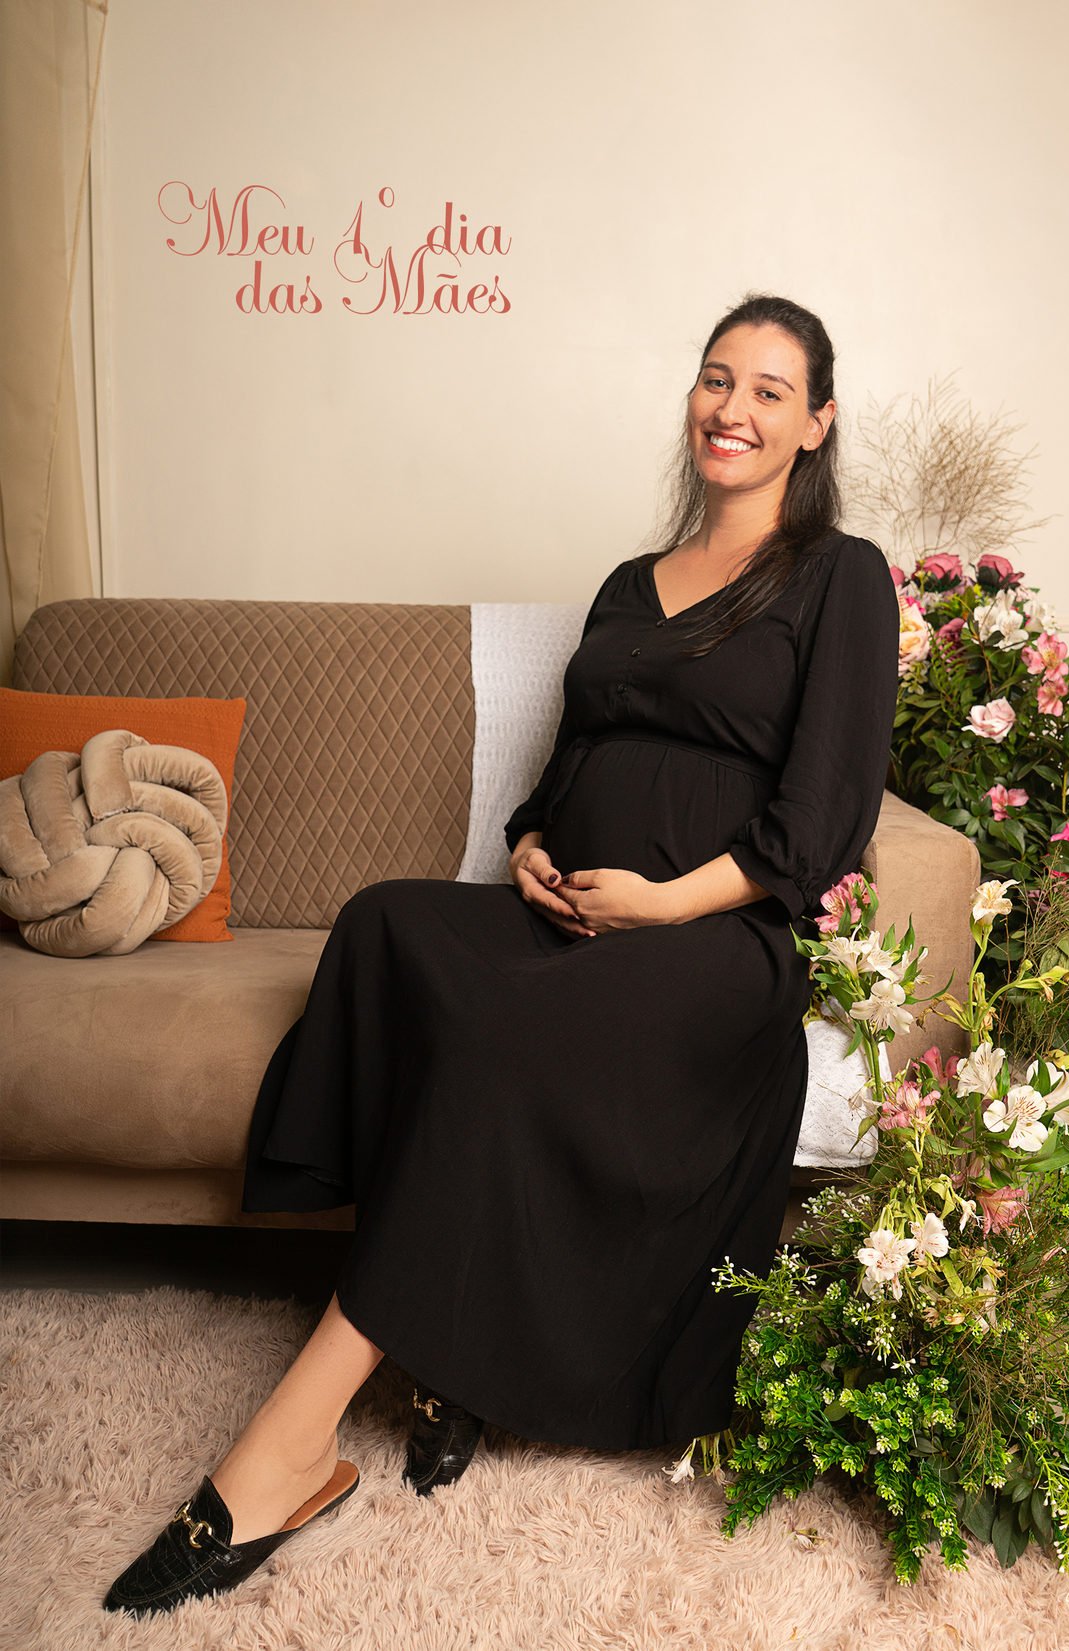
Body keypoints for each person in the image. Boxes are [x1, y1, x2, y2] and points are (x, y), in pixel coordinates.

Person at [104, 293, 900, 1616]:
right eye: (716, 379)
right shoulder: (629, 584)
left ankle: (290, 1447)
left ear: (816, 424)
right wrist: (531, 845)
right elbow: (569, 763)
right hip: (573, 911)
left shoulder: (840, 576)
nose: (733, 409)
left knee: (502, 1034)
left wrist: (661, 905)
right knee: (385, 923)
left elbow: (821, 827)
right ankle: (450, 1340)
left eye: (769, 390)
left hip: (712, 944)